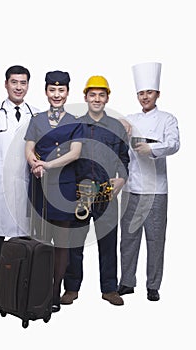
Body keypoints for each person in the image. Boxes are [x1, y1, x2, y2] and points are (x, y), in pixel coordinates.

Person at [0, 65, 40, 307]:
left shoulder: (36, 113)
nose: (19, 87)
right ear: (6, 84)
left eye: (23, 83)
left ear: (28, 86)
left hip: (25, 185)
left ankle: (21, 289)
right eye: (14, 82)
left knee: (24, 240)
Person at [61, 75, 130, 306]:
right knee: (74, 244)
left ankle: (109, 289)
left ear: (107, 98)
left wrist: (122, 180)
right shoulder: (75, 125)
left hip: (107, 193)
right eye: (93, 95)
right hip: (79, 193)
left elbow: (124, 159)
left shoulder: (116, 127)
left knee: (108, 242)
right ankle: (71, 288)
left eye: (102, 95)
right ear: (86, 97)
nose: (97, 99)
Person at [118, 62, 180, 301]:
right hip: (132, 188)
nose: (145, 97)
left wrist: (151, 148)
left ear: (157, 94)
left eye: (149, 93)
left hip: (156, 190)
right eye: (141, 93)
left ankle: (153, 285)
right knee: (129, 238)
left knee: (155, 239)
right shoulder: (130, 119)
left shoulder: (167, 119)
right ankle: (126, 282)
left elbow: (174, 144)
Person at [24, 70, 83, 312]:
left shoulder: (75, 121)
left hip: (65, 189)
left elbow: (75, 153)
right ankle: (38, 291)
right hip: (40, 188)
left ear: (67, 92)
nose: (56, 94)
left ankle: (55, 291)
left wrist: (46, 164)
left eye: (61, 90)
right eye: (52, 90)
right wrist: (33, 164)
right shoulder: (36, 120)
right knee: (40, 240)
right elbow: (28, 148)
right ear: (46, 91)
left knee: (61, 244)